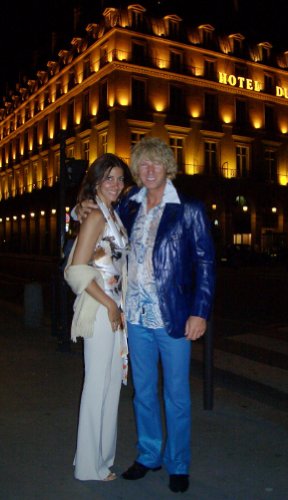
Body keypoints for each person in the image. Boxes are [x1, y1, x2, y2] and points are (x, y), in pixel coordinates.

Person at [76, 137, 215, 493]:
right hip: (133, 317)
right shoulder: (130, 206)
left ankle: (178, 462)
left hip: (173, 317)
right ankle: (149, 454)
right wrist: (80, 209)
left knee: (177, 394)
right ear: (136, 171)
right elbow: (100, 228)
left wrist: (200, 312)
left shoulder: (189, 208)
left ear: (167, 167)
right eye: (142, 165)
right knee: (143, 394)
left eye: (156, 163)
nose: (149, 170)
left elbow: (205, 263)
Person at [64, 153, 132, 481]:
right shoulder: (96, 217)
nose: (116, 185)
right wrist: (108, 304)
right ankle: (91, 466)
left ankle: (97, 460)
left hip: (115, 311)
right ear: (96, 182)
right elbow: (76, 270)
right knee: (97, 387)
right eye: (109, 179)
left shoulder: (110, 214)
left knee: (108, 388)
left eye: (120, 179)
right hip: (102, 310)